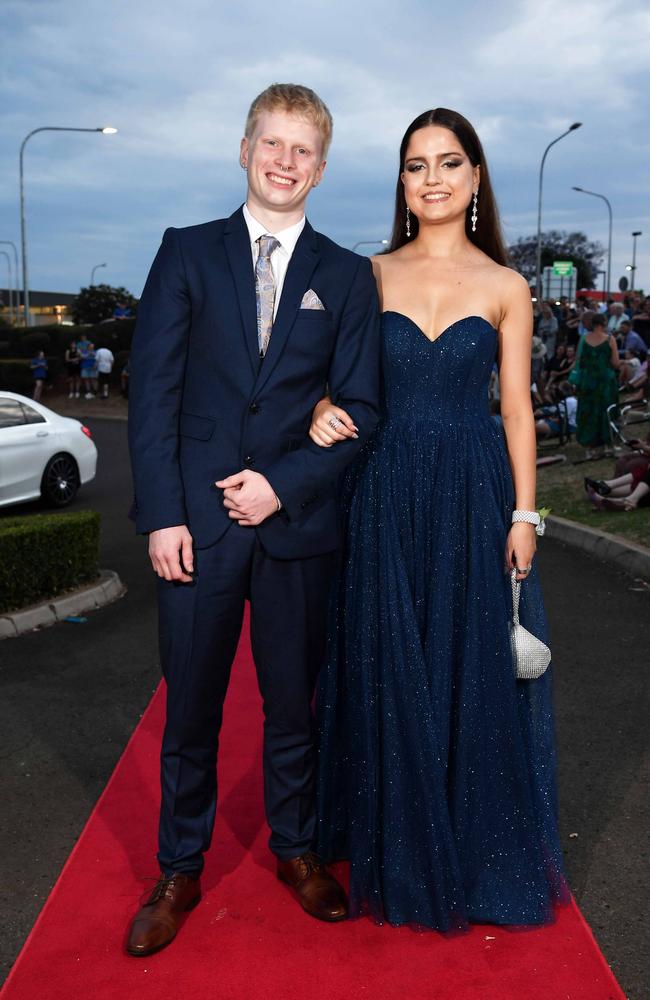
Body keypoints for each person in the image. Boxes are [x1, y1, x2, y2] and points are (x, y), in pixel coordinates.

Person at [126, 83, 381, 957]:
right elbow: (153, 394)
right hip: (195, 527)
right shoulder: (186, 253)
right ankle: (178, 868)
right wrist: (162, 514)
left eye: (301, 149)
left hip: (295, 526)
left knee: (292, 709)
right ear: (244, 150)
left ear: (321, 166)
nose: (283, 161)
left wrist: (282, 483)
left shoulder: (347, 275)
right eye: (269, 143)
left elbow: (361, 407)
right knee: (190, 708)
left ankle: (299, 851)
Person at [314, 108, 568, 930]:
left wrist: (526, 514)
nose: (432, 178)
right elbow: (332, 383)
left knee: (467, 661)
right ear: (402, 182)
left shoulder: (506, 285)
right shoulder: (368, 276)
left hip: (473, 488)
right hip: (383, 490)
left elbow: (520, 412)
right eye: (416, 164)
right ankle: (398, 841)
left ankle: (471, 845)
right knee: (392, 661)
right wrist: (320, 405)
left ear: (475, 179)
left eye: (449, 162)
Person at [574, 312, 620, 459]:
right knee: (606, 411)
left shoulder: (584, 339)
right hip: (605, 381)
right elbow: (615, 363)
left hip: (588, 381)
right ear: (604, 324)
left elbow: (579, 360)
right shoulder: (610, 339)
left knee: (588, 412)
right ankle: (607, 445)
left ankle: (589, 448)